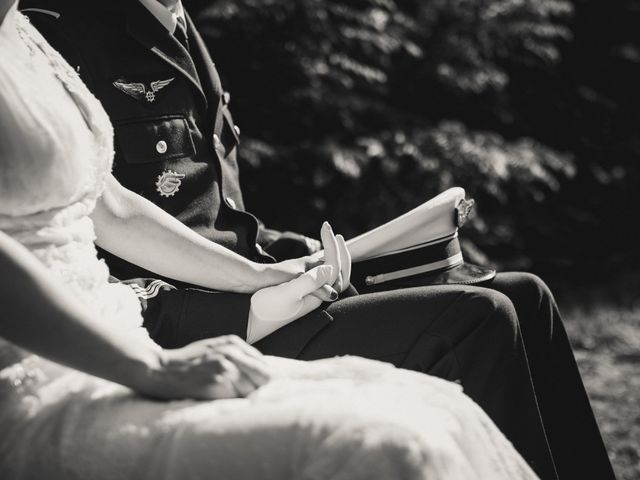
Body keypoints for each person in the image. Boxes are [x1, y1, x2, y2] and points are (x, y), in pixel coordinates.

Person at [18, 1, 615, 479]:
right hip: (177, 315)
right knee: (479, 317)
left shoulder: (64, 34)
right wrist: (249, 296)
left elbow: (185, 211)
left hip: (242, 281)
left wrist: (286, 258)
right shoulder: (62, 26)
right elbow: (94, 234)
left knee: (526, 295)